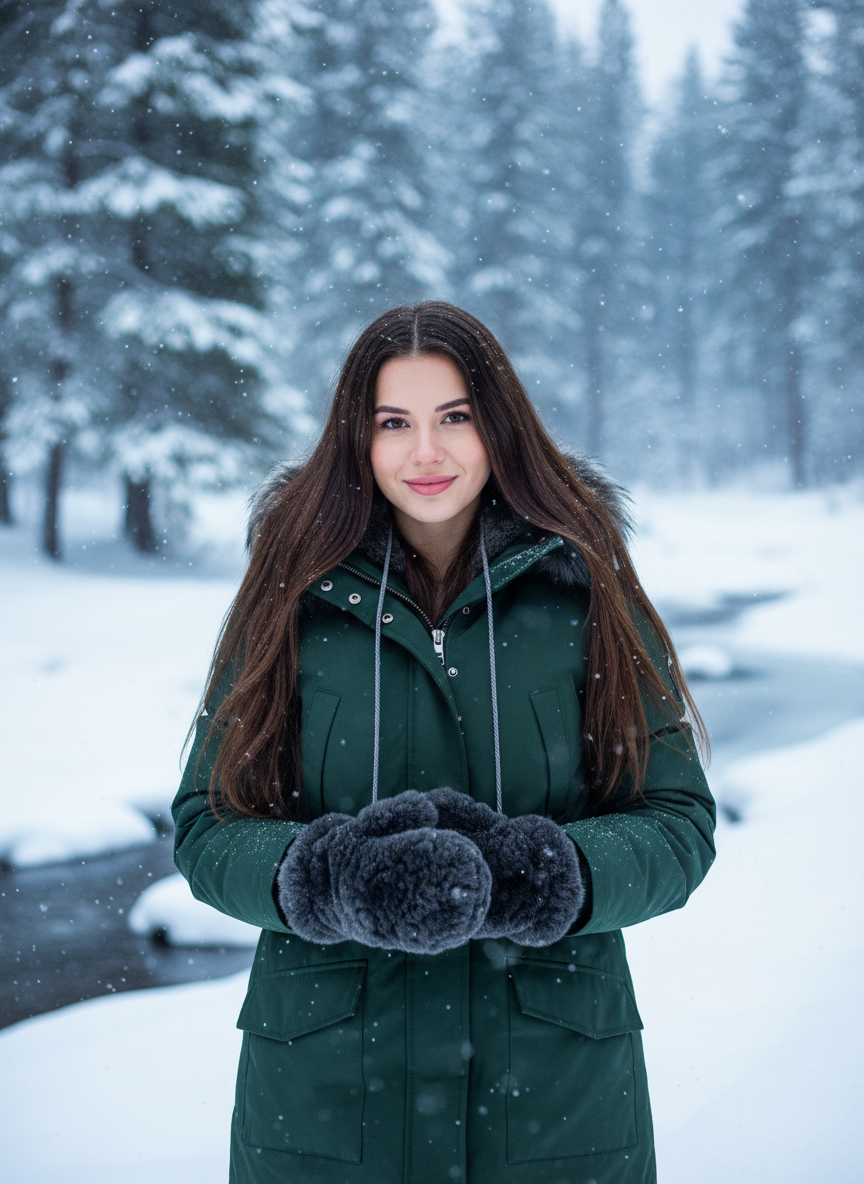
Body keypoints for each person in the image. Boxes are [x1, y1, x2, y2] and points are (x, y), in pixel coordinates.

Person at [173, 301, 715, 1184]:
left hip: (554, 1102)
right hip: (325, 1104)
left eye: (454, 417)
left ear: (500, 423)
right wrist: (332, 881)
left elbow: (678, 823)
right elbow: (207, 824)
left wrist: (542, 875)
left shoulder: (584, 583)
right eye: (393, 423)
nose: (425, 452)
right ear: (356, 438)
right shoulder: (289, 591)